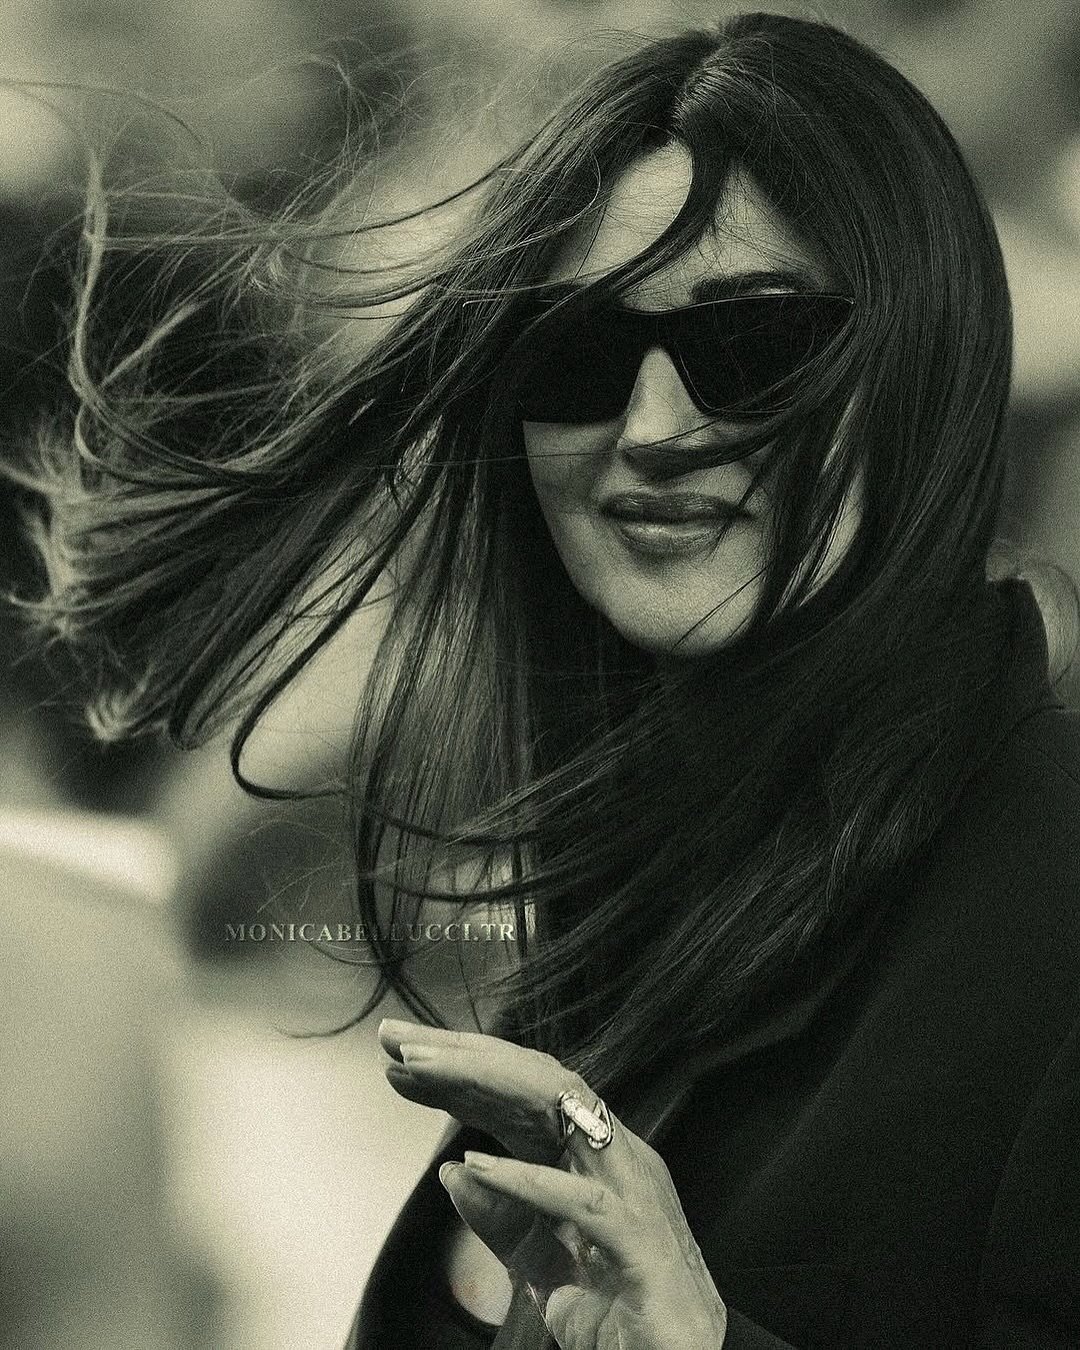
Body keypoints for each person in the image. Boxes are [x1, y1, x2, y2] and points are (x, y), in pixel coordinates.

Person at [11, 10, 1080, 1349]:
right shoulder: (634, 875)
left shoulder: (1047, 904)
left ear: (924, 365)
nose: (653, 428)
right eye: (577, 357)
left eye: (750, 348)